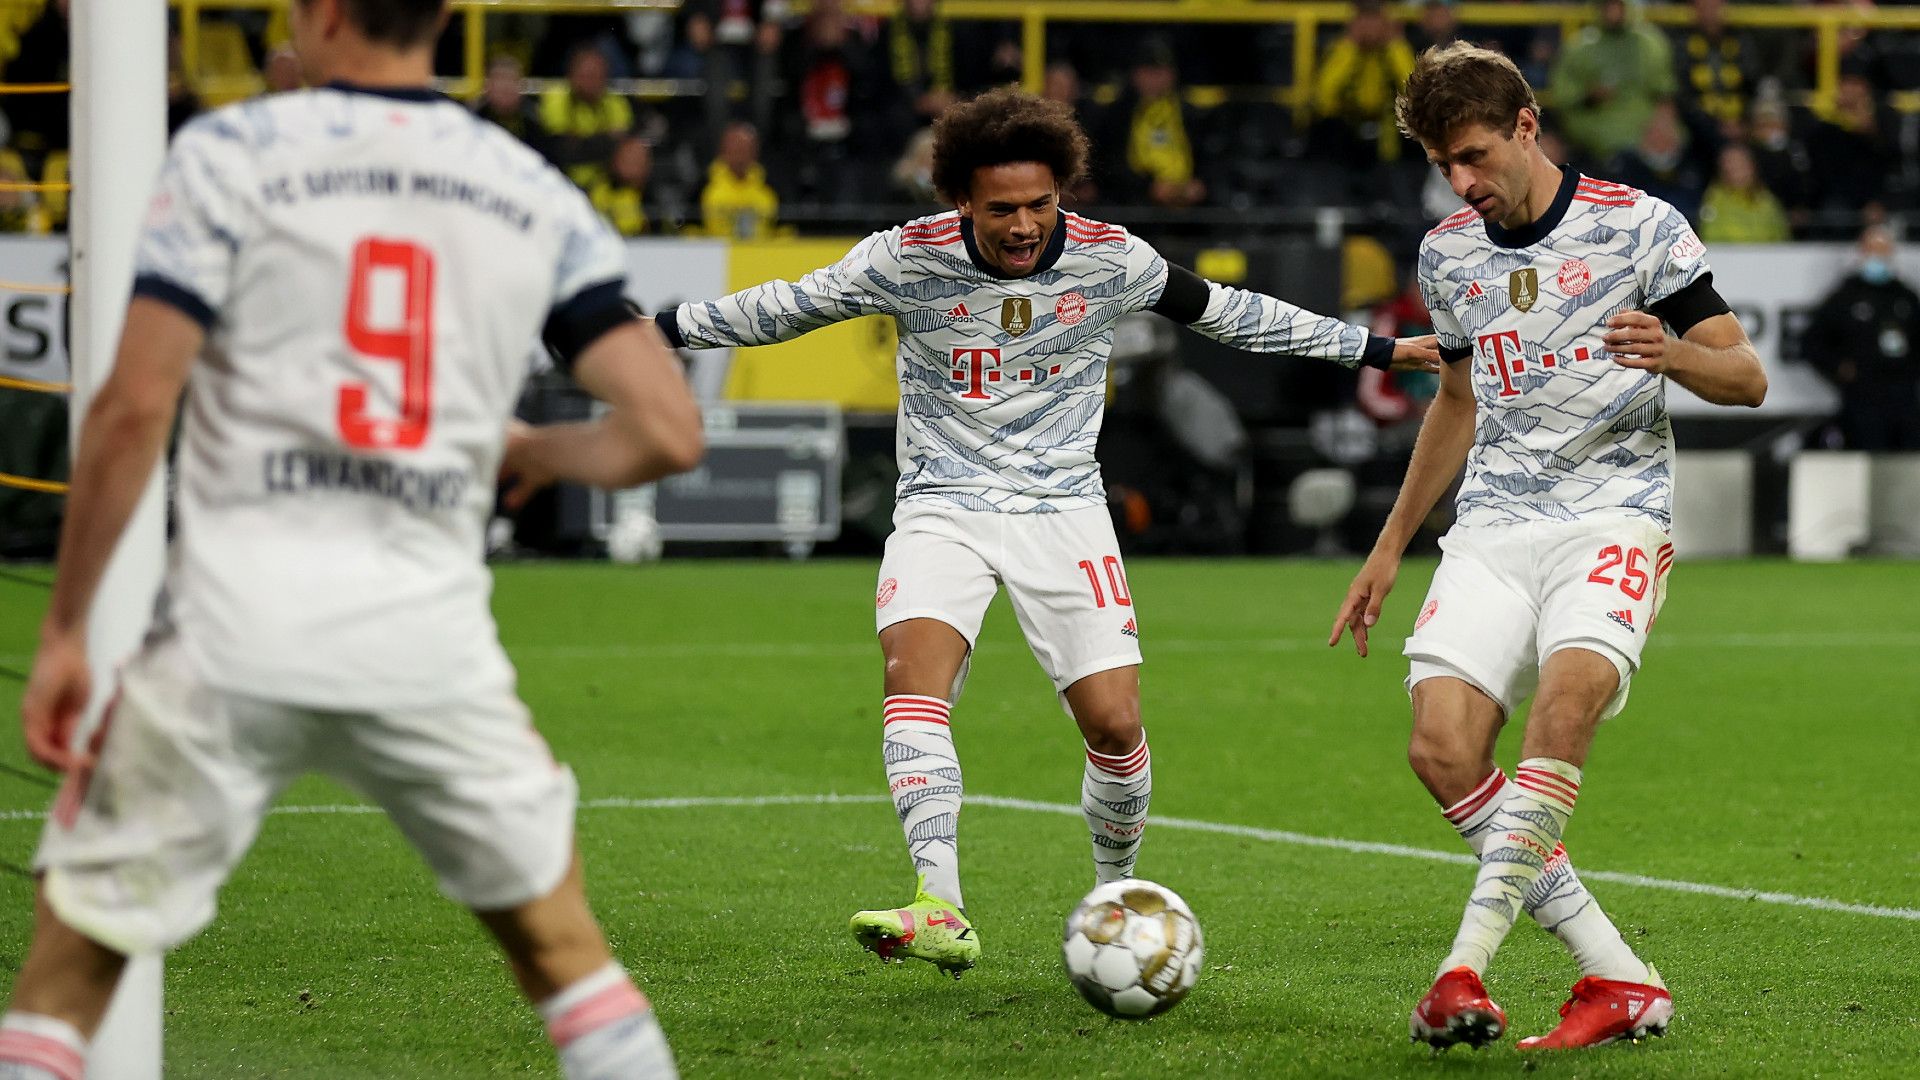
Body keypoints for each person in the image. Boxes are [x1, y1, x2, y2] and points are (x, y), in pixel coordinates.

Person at [3, 1, 704, 1077]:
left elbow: (135, 407)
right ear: (443, 18)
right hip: (425, 642)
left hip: (229, 635)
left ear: (320, 15)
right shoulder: (527, 188)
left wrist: (65, 631)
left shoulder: (235, 149)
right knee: (573, 969)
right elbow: (666, 431)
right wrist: (527, 447)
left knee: (61, 990)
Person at [651, 87, 1439, 977]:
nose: (1024, 226)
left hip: (1064, 511)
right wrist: (657, 328)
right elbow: (786, 307)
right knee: (915, 681)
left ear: (1062, 192)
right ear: (962, 204)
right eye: (1002, 210)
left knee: (1114, 725)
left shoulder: (1112, 261)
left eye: (1039, 204)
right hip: (942, 503)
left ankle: (1115, 895)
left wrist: (1372, 349)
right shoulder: (905, 260)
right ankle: (936, 901)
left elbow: (1232, 313)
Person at [1333, 43, 1765, 1051]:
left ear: (1528, 127)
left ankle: (1461, 968)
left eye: (1476, 155)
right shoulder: (1449, 252)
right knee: (1442, 749)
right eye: (1446, 165)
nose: (1464, 182)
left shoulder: (1641, 227)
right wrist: (1393, 543)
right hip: (1492, 526)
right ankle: (1617, 977)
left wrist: (1677, 355)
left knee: (1563, 710)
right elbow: (1455, 398)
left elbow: (1745, 377)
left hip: (1615, 516)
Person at [1805, 225, 1920, 450]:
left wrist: (1911, 369)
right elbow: (1812, 343)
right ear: (1861, 253)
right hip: (1862, 396)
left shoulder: (1905, 297)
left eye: (1882, 251)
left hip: (1904, 396)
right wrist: (1839, 367)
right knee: (1868, 451)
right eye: (1872, 250)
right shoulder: (1845, 297)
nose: (1877, 257)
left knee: (1909, 456)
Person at [1550, 0, 1675, 164]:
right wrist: (1589, 95)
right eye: (1608, 5)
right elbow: (1562, 95)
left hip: (1644, 132)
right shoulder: (1579, 46)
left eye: (1617, 5)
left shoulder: (1650, 44)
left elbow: (1664, 93)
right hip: (1593, 133)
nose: (1613, 11)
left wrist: (1660, 126)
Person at [699, 120, 779, 239]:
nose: (739, 155)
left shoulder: (771, 186)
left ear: (755, 152)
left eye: (744, 149)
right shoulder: (703, 184)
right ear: (723, 150)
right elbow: (688, 227)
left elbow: (784, 229)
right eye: (735, 148)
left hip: (761, 253)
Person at [1698, 142, 1790, 244]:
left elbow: (1782, 238)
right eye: (1729, 163)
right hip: (1726, 257)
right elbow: (1709, 237)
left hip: (1766, 257)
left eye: (1739, 163)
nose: (1734, 168)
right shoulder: (1713, 199)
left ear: (1752, 166)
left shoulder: (1767, 200)